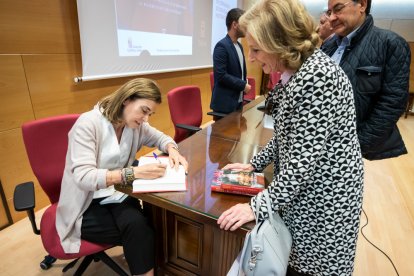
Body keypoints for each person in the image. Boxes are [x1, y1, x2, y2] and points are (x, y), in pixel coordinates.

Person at [217, 0, 364, 275]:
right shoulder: (296, 73)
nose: (251, 57)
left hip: (324, 204)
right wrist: (254, 165)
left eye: (256, 49)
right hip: (305, 196)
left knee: (312, 268)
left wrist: (254, 207)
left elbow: (300, 166)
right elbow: (286, 136)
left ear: (280, 43)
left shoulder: (317, 78)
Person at [56, 78, 188, 276]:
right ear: (126, 99)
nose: (146, 119)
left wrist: (173, 149)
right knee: (142, 231)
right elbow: (84, 177)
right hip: (86, 202)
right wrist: (133, 173)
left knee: (143, 226)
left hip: (116, 193)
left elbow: (161, 138)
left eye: (150, 114)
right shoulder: (88, 124)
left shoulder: (135, 125)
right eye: (144, 111)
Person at [321, 0, 411, 160]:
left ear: (362, 5)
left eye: (338, 9)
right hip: (315, 142)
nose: (332, 18)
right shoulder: (328, 46)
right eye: (329, 12)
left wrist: (354, 146)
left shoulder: (390, 44)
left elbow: (392, 104)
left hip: (347, 151)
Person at [210, 8, 251, 116]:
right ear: (235, 24)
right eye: (244, 24)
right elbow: (221, 75)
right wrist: (243, 85)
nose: (246, 27)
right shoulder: (221, 46)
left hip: (238, 102)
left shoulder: (240, 46)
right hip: (224, 106)